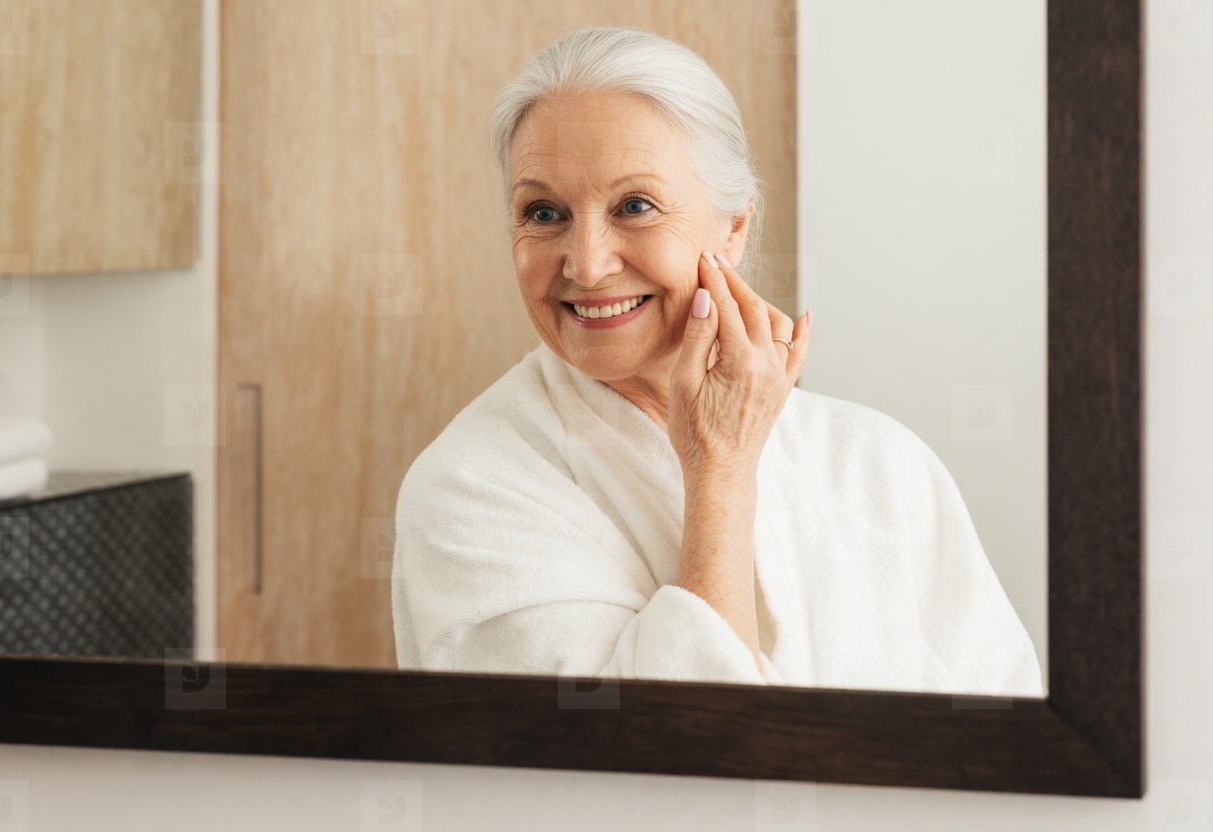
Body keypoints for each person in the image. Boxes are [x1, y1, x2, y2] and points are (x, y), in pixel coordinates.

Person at [391, 25, 1043, 695]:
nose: (585, 265)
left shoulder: (880, 465)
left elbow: (1008, 749)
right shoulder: (468, 490)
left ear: (732, 228)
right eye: (545, 212)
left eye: (635, 205)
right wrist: (720, 477)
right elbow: (650, 765)